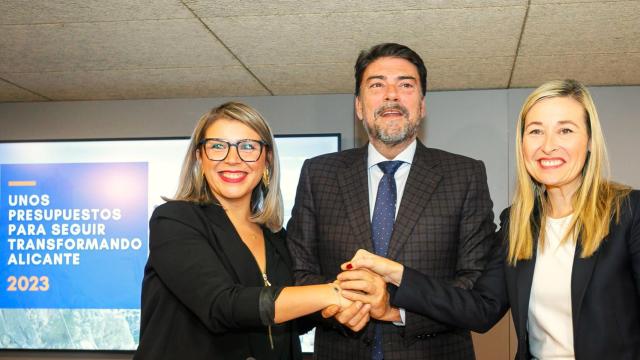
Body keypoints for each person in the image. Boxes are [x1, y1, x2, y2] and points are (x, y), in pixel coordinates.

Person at [341, 79, 640, 360]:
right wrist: (396, 273)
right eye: (535, 131)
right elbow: (480, 309)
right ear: (522, 144)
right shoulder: (518, 224)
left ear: (589, 141)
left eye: (566, 130)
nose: (548, 145)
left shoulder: (629, 212)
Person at [286, 43, 497, 359]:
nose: (391, 95)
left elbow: (474, 284)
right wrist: (335, 306)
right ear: (359, 106)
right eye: (377, 85)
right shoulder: (319, 174)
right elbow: (298, 272)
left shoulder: (464, 175)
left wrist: (395, 310)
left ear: (422, 105)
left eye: (406, 84)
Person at [134, 102, 352, 360]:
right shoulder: (174, 220)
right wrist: (332, 293)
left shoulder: (276, 238)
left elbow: (295, 319)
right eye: (218, 146)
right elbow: (222, 306)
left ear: (267, 160)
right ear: (199, 157)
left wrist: (347, 299)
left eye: (248, 146)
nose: (232, 159)